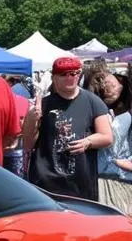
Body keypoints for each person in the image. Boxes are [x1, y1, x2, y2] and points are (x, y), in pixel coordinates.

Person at [24, 56, 113, 200]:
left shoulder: (93, 102)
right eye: (63, 74)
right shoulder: (44, 104)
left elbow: (107, 137)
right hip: (45, 183)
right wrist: (31, 118)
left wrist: (87, 142)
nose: (70, 78)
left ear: (79, 75)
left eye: (73, 73)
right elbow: (28, 144)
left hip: (81, 184)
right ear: (54, 77)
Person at [86, 68, 132, 213]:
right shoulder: (96, 112)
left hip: (123, 180)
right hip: (98, 180)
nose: (107, 90)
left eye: (112, 85)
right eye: (102, 87)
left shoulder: (127, 113)